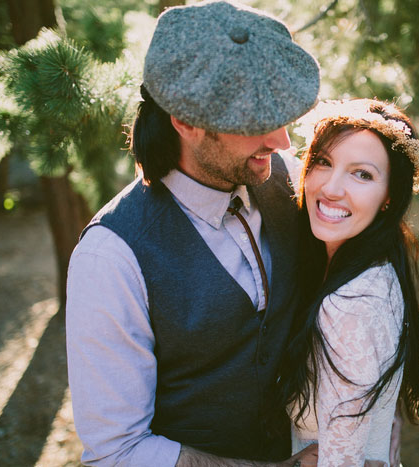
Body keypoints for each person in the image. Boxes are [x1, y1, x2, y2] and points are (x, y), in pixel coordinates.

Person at [65, 1, 322, 465]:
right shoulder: (110, 256)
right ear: (184, 122)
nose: (282, 141)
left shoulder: (287, 180)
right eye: (256, 122)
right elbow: (117, 451)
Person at [275, 99, 419, 466]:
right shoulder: (380, 266)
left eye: (362, 174)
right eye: (323, 161)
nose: (331, 188)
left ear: (389, 198)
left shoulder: (348, 304)